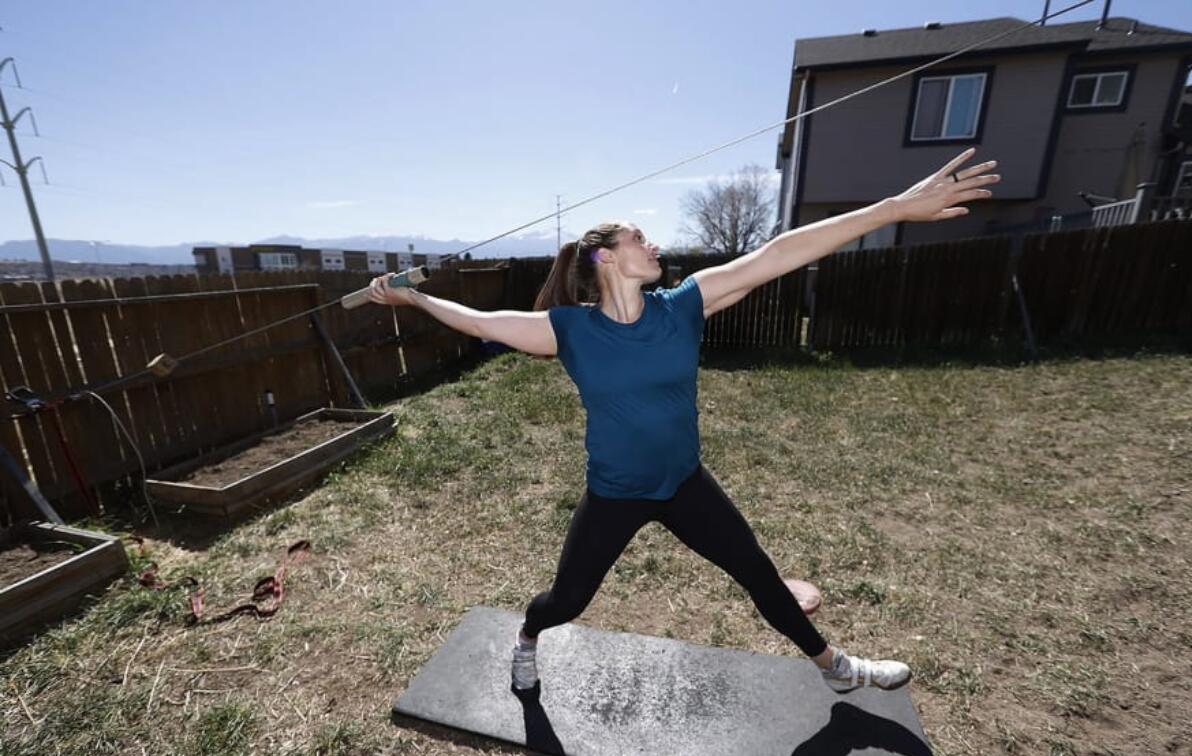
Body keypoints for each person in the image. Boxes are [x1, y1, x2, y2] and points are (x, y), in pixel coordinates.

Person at [369, 147, 1001, 694]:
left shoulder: (683, 306)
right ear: (605, 259)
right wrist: (411, 296)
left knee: (756, 570)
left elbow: (781, 251)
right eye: (640, 239)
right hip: (616, 494)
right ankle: (528, 637)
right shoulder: (569, 331)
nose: (655, 246)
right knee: (566, 601)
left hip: (685, 484)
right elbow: (480, 323)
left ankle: (833, 664)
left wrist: (891, 208)